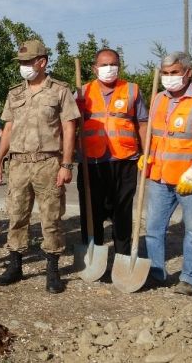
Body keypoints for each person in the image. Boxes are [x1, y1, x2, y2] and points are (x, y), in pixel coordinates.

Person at [0, 39, 80, 294]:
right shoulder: (15, 93)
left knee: (51, 218)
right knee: (16, 216)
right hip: (18, 163)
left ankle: (52, 269)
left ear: (42, 62)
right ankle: (15, 266)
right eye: (20, 62)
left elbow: (69, 127)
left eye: (27, 62)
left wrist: (66, 164)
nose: (23, 66)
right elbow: (7, 129)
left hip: (48, 163)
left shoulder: (59, 90)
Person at [143, 51, 192, 296]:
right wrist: (147, 155)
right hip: (160, 178)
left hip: (191, 180)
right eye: (165, 73)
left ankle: (190, 279)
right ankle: (157, 273)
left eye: (174, 73)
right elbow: (155, 136)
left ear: (188, 72)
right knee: (154, 228)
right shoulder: (158, 99)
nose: (169, 77)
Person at [76, 49, 148, 255]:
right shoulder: (82, 92)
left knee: (122, 211)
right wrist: (74, 109)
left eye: (113, 64)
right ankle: (92, 251)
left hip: (124, 159)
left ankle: (122, 255)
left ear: (119, 66)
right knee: (91, 211)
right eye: (104, 65)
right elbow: (69, 124)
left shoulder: (132, 90)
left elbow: (142, 124)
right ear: (94, 68)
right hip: (92, 162)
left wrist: (146, 153)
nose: (109, 69)